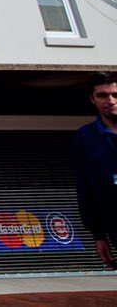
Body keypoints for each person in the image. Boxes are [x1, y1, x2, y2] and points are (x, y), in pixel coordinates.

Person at [72, 71, 117, 269]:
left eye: (116, 95)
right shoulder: (85, 138)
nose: (111, 101)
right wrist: (98, 236)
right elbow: (85, 189)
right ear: (92, 99)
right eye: (102, 95)